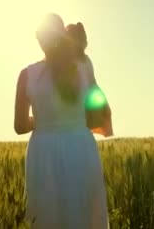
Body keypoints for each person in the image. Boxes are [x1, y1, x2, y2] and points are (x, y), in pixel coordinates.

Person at [14, 13, 109, 228]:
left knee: (46, 217)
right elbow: (95, 113)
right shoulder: (84, 67)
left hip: (44, 152)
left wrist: (41, 121)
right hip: (82, 148)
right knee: (83, 214)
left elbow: (20, 127)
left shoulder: (27, 75)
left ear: (40, 39)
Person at [65, 22, 114, 137]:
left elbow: (92, 82)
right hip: (76, 102)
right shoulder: (80, 61)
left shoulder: (83, 61)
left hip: (81, 102)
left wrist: (102, 105)